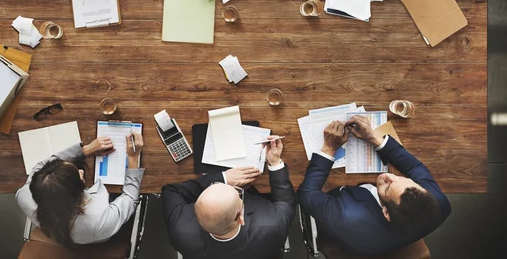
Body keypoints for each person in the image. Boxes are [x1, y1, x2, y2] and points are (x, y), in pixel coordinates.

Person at [297, 116, 451, 256]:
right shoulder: (440, 204)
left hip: (354, 234)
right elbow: (415, 169)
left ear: (385, 212)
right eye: (403, 179)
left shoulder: (350, 217)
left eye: (388, 186)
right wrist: (374, 138)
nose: (388, 176)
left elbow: (307, 194)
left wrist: (329, 148)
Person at [162, 136, 296, 259]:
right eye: (238, 192)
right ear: (240, 218)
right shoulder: (272, 225)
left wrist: (223, 178)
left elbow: (171, 191)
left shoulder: (179, 229)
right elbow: (285, 201)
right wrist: (275, 162)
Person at [16, 133, 144, 246]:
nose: (81, 171)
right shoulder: (98, 221)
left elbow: (42, 166)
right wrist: (133, 158)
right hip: (96, 235)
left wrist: (87, 150)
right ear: (78, 192)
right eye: (79, 175)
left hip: (62, 231)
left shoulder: (24, 195)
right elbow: (130, 198)